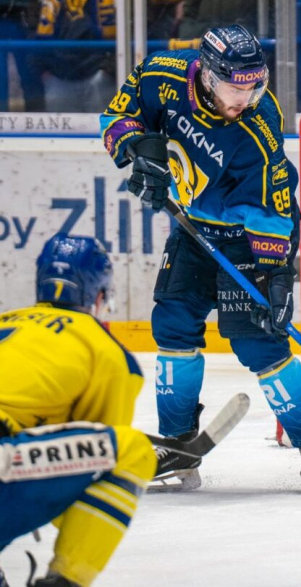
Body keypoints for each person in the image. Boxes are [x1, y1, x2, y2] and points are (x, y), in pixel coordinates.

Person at [99, 24, 301, 492]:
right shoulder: (160, 75)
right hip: (192, 232)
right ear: (208, 77)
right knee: (171, 325)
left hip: (243, 239)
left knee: (260, 343)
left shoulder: (258, 123)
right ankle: (175, 445)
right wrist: (138, 149)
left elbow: (273, 208)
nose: (246, 97)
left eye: (255, 85)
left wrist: (276, 274)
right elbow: (118, 114)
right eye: (236, 87)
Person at [0, 234, 157, 587]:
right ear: (99, 295)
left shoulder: (6, 320)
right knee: (130, 453)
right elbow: (93, 478)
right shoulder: (106, 351)